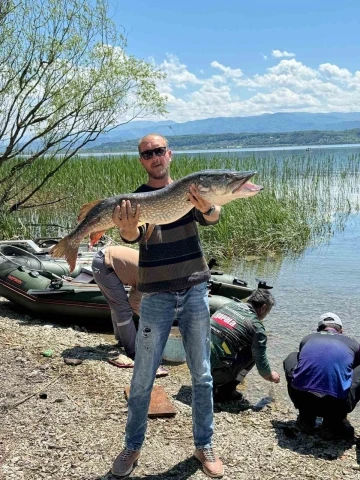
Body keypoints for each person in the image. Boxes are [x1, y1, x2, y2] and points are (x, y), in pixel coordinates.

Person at [110, 133, 224, 478]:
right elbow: (131, 237)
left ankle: (204, 445)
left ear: (169, 155)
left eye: (159, 151)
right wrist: (127, 230)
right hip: (156, 296)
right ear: (142, 160)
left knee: (202, 374)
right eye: (148, 154)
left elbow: (213, 216)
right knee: (143, 376)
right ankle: (132, 447)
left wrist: (209, 208)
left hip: (194, 290)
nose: (155, 157)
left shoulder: (191, 190)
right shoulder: (136, 200)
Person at [283, 312, 360, 438]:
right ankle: (333, 424)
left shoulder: (307, 338)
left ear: (318, 329)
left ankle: (306, 419)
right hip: (336, 405)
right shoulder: (353, 343)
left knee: (293, 357)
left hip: (302, 399)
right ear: (341, 330)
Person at [210, 289, 280, 403]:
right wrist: (271, 376)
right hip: (211, 373)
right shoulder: (257, 328)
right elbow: (262, 365)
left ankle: (212, 379)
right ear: (263, 308)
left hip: (194, 364)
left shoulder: (228, 306)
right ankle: (226, 390)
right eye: (268, 312)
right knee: (253, 353)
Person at [92, 245, 141, 359]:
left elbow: (135, 292)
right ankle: (133, 352)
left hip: (105, 257)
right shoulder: (150, 281)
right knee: (123, 309)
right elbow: (134, 304)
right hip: (104, 264)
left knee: (118, 305)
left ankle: (121, 341)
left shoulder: (154, 273)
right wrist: (149, 319)